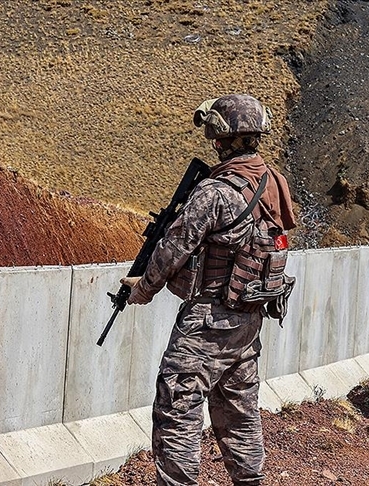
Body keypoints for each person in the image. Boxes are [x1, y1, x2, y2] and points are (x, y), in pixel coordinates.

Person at [121, 94, 296, 485]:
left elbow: (173, 248)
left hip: (208, 320)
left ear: (222, 137)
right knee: (239, 409)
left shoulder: (215, 192)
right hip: (248, 318)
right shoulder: (272, 183)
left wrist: (143, 288)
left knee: (177, 407)